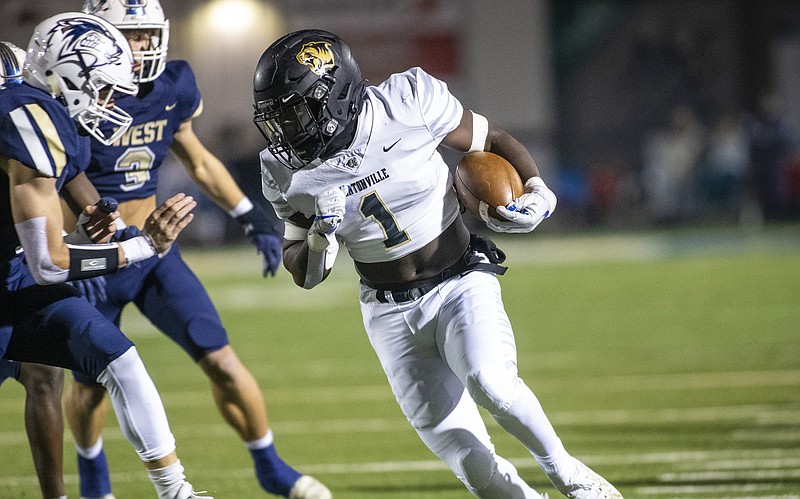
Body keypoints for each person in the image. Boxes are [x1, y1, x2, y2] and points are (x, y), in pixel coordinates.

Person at [252, 29, 624, 499]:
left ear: (336, 96)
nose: (286, 131)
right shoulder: (283, 169)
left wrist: (536, 187)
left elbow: (492, 139)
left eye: (295, 113)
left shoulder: (408, 101)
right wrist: (322, 237)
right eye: (278, 119)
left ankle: (571, 476)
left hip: (458, 279)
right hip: (386, 311)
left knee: (492, 382)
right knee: (471, 461)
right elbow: (304, 273)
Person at [65, 2, 330, 498]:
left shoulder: (172, 86)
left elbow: (198, 158)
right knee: (88, 383)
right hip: (93, 258)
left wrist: (248, 214)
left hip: (153, 253)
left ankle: (271, 468)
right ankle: (92, 479)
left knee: (222, 360)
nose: (142, 46)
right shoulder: (72, 95)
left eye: (147, 35)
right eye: (130, 36)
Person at [1, 12, 208, 499]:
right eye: (104, 89)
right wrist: (140, 247)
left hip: (14, 276)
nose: (112, 102)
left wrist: (107, 222)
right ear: (71, 76)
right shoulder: (26, 123)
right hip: (22, 271)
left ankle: (175, 490)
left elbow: (73, 176)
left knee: (121, 359)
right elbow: (49, 263)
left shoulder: (47, 114)